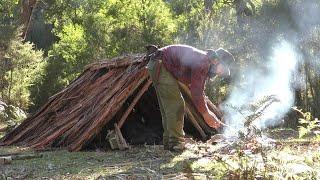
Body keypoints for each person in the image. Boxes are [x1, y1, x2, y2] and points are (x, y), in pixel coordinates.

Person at [146, 44, 235, 151]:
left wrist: (208, 113)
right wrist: (206, 114)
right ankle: (175, 143)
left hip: (157, 63)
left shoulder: (203, 60)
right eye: (223, 68)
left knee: (168, 105)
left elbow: (199, 91)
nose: (221, 73)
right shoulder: (203, 62)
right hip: (161, 64)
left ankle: (169, 142)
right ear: (216, 61)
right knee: (176, 105)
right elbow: (196, 92)